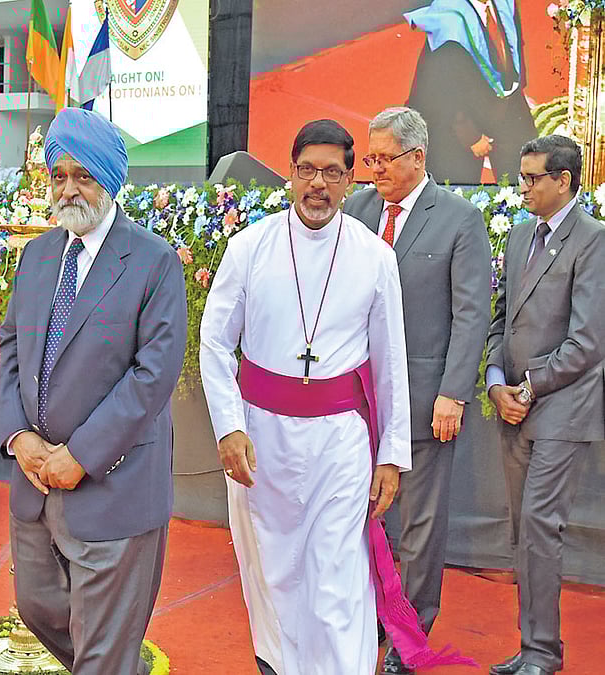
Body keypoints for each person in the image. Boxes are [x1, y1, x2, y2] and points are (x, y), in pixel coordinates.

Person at [199, 119, 474, 674]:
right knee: (273, 574)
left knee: (338, 580)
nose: (317, 184)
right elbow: (214, 342)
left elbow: (391, 361)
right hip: (260, 442)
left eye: (331, 172)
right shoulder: (249, 247)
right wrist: (229, 427)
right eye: (306, 170)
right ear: (291, 175)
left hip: (340, 446)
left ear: (351, 179)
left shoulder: (374, 257)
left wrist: (392, 456)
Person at [0, 107, 187, 675]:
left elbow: (152, 376)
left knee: (102, 653)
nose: (69, 188)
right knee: (38, 609)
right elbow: (9, 350)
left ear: (110, 179)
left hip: (113, 485)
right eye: (59, 175)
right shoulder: (38, 255)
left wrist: (82, 454)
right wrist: (17, 436)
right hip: (34, 483)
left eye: (85, 175)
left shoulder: (153, 261)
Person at [344, 107, 491, 675]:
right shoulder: (354, 210)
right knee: (361, 513)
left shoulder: (459, 219)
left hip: (428, 400)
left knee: (421, 524)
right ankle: (367, 615)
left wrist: (454, 392)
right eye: (370, 158)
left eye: (384, 158)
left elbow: (471, 315)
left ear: (418, 158)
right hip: (357, 398)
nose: (373, 169)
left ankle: (409, 633)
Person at [486, 135, 605, 675]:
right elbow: (499, 318)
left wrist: (527, 388)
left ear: (565, 180)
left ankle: (541, 653)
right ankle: (535, 647)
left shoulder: (594, 240)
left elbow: (587, 342)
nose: (523, 186)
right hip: (514, 405)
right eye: (521, 175)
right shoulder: (517, 237)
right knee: (523, 532)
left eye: (534, 178)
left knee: (538, 525)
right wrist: (494, 384)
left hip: (561, 408)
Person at [405, 0, 538, 184]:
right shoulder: (449, 20)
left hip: (500, 103)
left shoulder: (504, 4)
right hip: (455, 116)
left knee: (528, 165)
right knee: (457, 188)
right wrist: (471, 135)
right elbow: (443, 87)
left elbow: (513, 49)